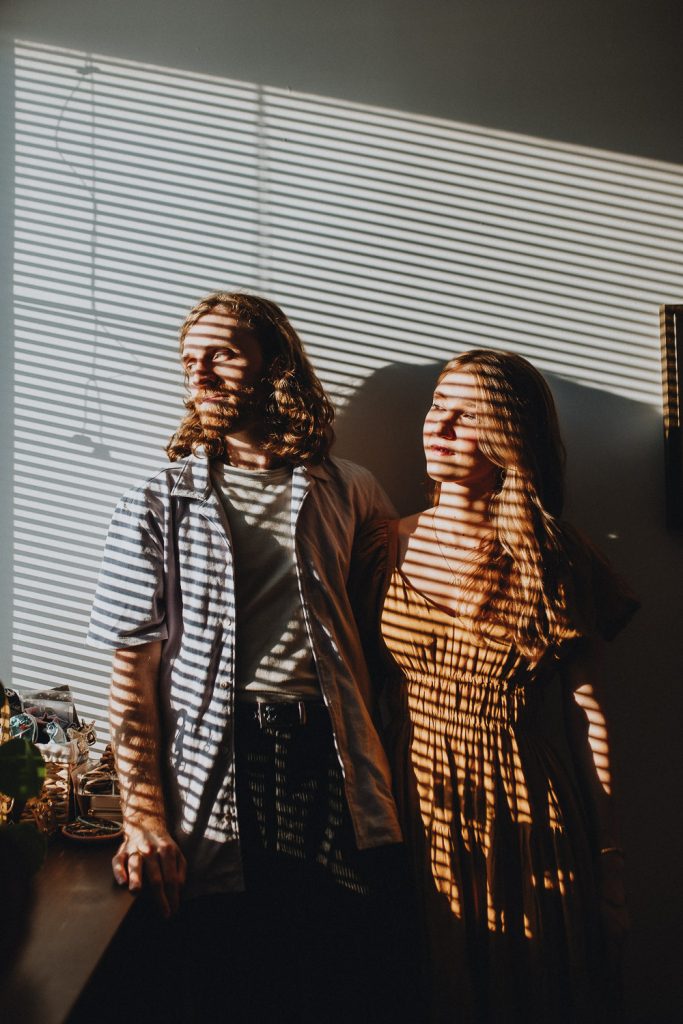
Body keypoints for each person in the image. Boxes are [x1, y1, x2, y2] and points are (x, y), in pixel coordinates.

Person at [87, 292, 421, 1024]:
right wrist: (143, 818)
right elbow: (130, 676)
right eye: (188, 362)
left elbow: (396, 622)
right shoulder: (155, 503)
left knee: (343, 966)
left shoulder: (349, 488)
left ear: (277, 366)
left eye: (221, 356)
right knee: (234, 971)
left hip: (335, 754)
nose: (198, 374)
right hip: (223, 757)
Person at [352, 349, 638, 1024]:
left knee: (529, 988)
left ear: (509, 434)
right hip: (412, 797)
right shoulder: (381, 546)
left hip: (526, 806)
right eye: (434, 406)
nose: (437, 426)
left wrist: (609, 860)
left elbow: (586, 712)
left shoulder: (555, 558)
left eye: (465, 415)